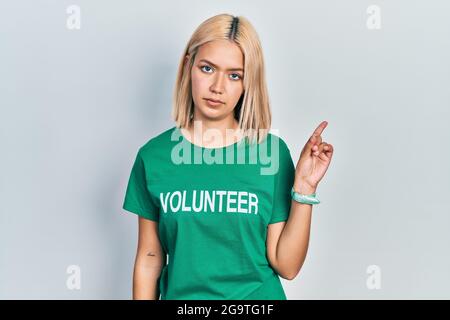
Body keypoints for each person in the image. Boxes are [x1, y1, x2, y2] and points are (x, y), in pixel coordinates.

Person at [122, 13, 334, 300]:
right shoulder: (154, 157)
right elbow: (149, 258)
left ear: (248, 83)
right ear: (188, 67)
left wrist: (305, 189)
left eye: (235, 75)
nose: (218, 87)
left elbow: (287, 265)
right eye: (207, 69)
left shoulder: (269, 153)